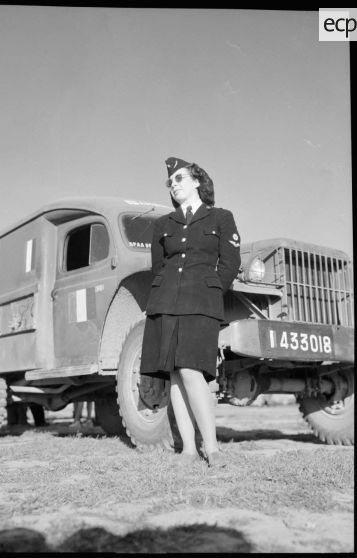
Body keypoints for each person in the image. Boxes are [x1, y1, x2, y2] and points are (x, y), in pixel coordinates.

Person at [140, 157, 241, 468]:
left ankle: (212, 448)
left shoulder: (221, 218)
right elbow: (160, 268)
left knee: (191, 370)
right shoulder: (163, 225)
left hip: (202, 303)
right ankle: (186, 449)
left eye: (180, 178)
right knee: (173, 374)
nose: (175, 185)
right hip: (167, 303)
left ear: (197, 181)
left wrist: (211, 290)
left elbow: (230, 263)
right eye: (171, 182)